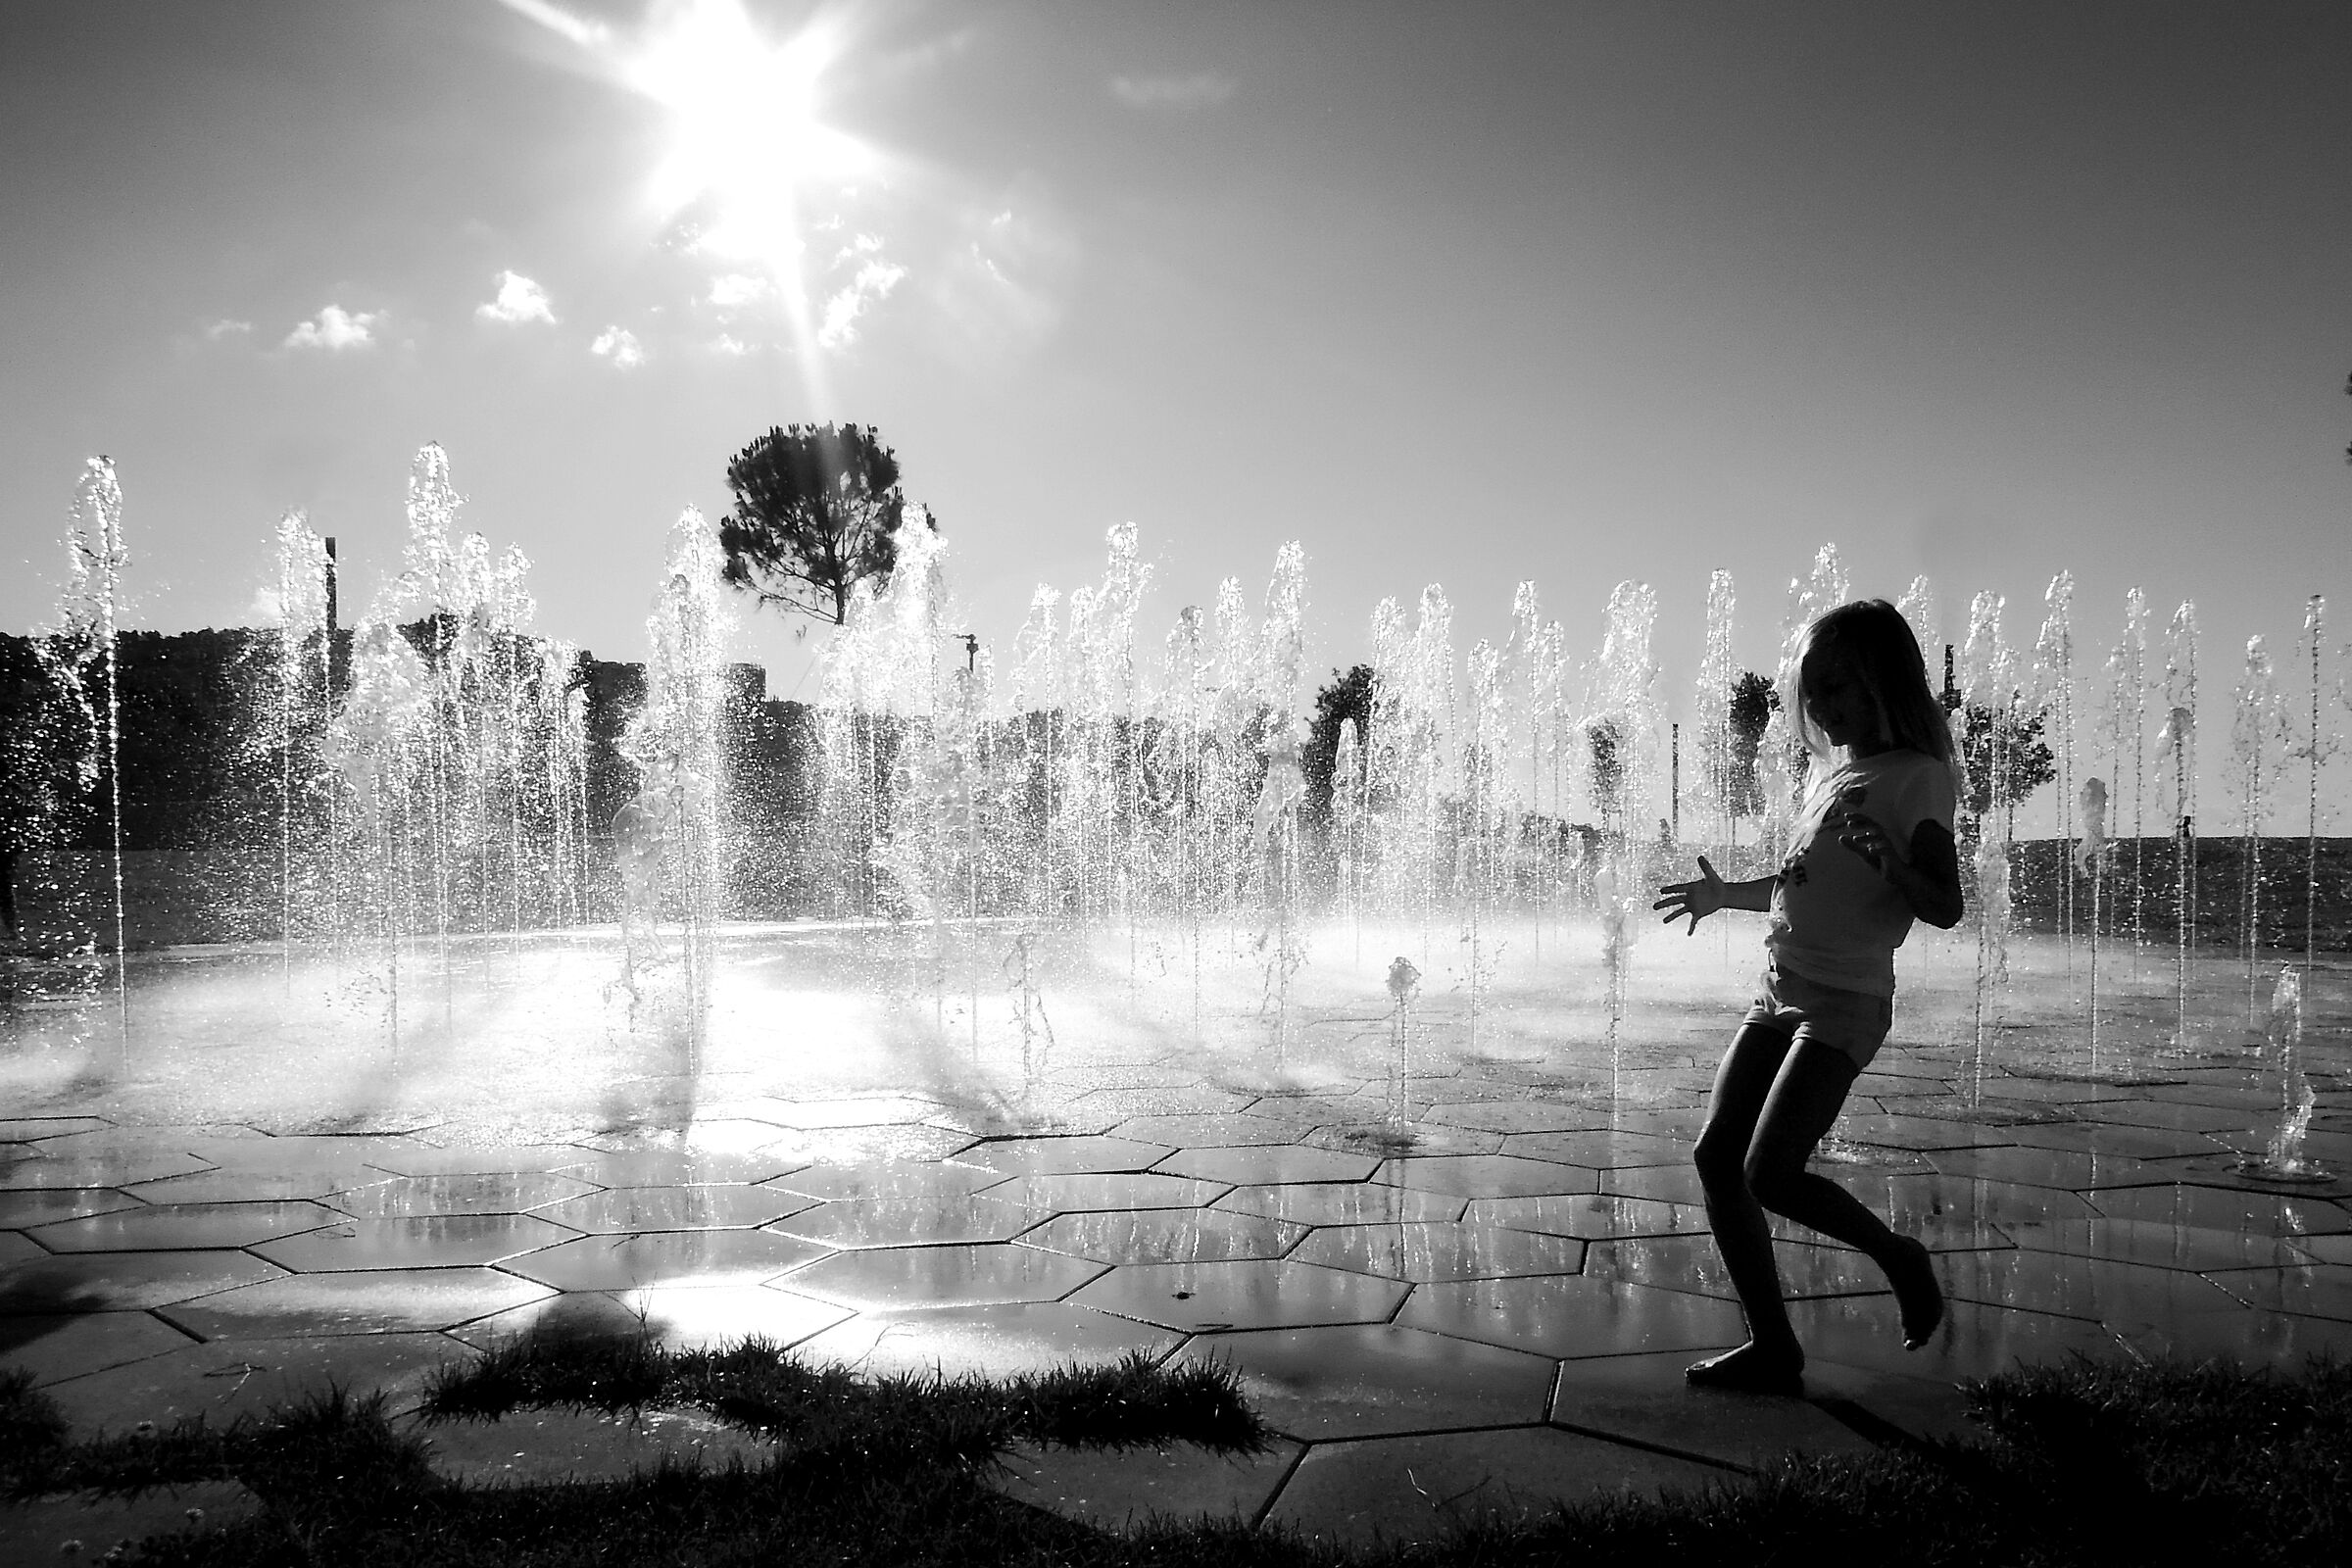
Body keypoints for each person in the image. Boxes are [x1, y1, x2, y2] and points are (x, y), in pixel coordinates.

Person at [1653, 599, 1963, 1396]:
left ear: (1886, 685)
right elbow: (1798, 888)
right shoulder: (1831, 777)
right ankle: (1772, 1346)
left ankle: (1898, 1256)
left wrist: (1895, 867)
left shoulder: (1916, 780)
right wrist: (1729, 896)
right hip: (1778, 991)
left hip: (1845, 1001)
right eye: (1812, 689)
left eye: (1840, 686)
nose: (1821, 705)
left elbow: (1944, 903)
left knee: (1771, 1173)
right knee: (1717, 1157)